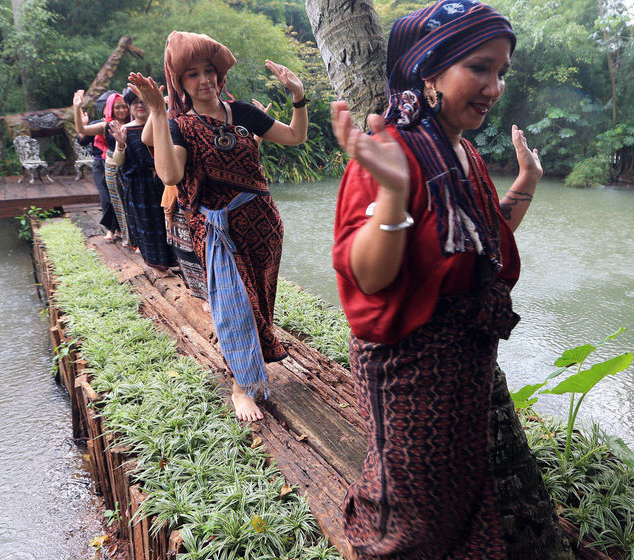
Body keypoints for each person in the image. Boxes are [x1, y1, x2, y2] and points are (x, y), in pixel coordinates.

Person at [330, 1, 542, 558]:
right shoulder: (388, 154)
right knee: (409, 515)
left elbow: (482, 239)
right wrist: (395, 194)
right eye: (478, 67)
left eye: (501, 72)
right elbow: (369, 279)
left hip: (464, 361)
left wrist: (526, 182)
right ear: (428, 70)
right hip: (411, 369)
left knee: (458, 498)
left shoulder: (463, 150)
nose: (493, 86)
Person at [127, 30, 309, 422]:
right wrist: (158, 111)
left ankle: (251, 364)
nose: (203, 80)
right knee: (234, 305)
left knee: (260, 299)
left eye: (209, 71)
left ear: (219, 75)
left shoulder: (242, 112)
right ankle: (241, 387)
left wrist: (298, 95)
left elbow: (295, 136)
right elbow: (171, 174)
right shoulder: (178, 125)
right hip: (216, 230)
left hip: (263, 223)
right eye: (192, 74)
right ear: (181, 82)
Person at [110, 88, 176, 270]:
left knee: (169, 222)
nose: (140, 105)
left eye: (144, 101)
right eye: (135, 102)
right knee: (148, 226)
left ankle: (176, 262)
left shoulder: (164, 125)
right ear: (130, 107)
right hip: (139, 186)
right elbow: (117, 161)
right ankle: (157, 266)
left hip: (164, 183)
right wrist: (121, 144)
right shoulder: (125, 130)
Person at [73, 89, 130, 241]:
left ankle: (124, 231)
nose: (120, 110)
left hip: (123, 164)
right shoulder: (101, 125)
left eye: (123, 106)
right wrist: (78, 112)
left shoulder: (131, 124)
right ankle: (111, 229)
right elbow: (82, 139)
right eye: (115, 107)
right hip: (101, 163)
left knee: (122, 198)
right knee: (107, 198)